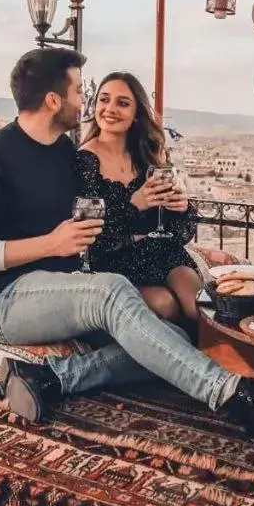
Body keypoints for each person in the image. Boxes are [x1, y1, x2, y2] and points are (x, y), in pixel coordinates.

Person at [0, 47, 254, 447]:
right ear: (53, 100)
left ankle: (48, 378)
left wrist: (166, 207)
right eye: (81, 91)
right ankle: (243, 400)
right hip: (3, 301)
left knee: (169, 337)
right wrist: (50, 243)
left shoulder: (62, 154)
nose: (86, 101)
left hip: (65, 286)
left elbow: (106, 219)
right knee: (114, 289)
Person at [77, 72, 200, 328]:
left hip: (159, 255)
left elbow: (178, 233)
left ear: (136, 114)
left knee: (198, 302)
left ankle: (224, 360)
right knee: (165, 304)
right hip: (113, 264)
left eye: (122, 103)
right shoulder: (83, 162)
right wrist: (135, 204)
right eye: (104, 100)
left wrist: (181, 209)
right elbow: (89, 239)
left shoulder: (148, 156)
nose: (110, 109)